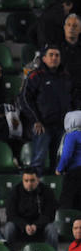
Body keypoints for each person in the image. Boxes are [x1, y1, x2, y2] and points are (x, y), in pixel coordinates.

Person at [20, 44, 75, 175]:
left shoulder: (66, 77)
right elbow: (25, 99)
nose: (54, 58)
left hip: (62, 126)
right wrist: (36, 120)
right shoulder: (35, 76)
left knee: (60, 163)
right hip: (42, 126)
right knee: (38, 161)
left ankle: (56, 191)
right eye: (51, 55)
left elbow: (73, 99)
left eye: (57, 55)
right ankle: (34, 191)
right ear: (44, 58)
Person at [4, 169, 60, 251]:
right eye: (26, 181)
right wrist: (24, 225)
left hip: (41, 227)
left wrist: (36, 225)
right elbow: (11, 214)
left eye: (32, 180)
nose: (29, 183)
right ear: (22, 180)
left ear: (38, 180)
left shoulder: (47, 191)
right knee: (9, 228)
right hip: (21, 228)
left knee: (52, 229)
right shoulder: (15, 191)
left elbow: (49, 214)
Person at [57, 110, 81, 209]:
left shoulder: (72, 135)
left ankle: (66, 223)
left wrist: (59, 169)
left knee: (68, 201)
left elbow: (66, 155)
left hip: (75, 172)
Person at [59, 13, 81, 98]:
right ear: (64, 28)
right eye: (69, 25)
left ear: (80, 29)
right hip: (61, 92)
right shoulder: (55, 50)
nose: (71, 28)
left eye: (75, 26)